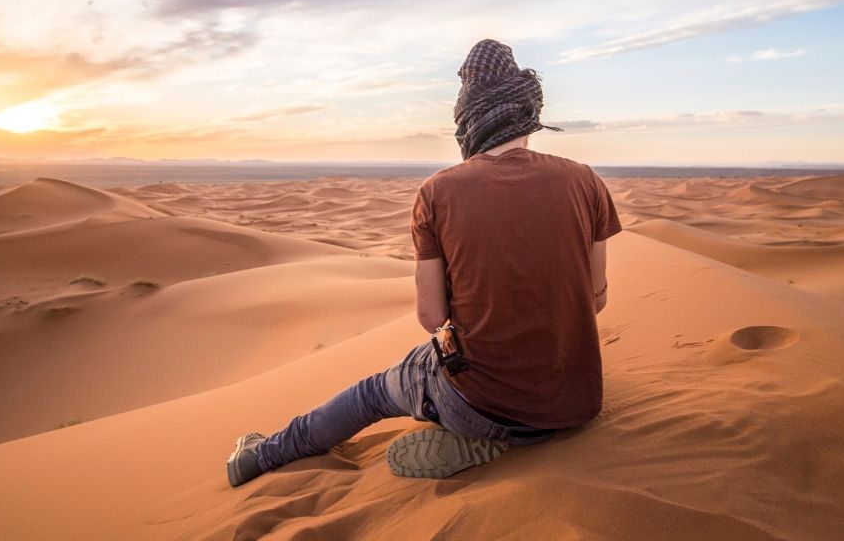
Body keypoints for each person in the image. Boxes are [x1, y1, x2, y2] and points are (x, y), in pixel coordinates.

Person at [227, 38, 622, 487]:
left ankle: (261, 456)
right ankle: (503, 436)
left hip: (483, 401)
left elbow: (432, 317)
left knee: (373, 391)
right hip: (575, 405)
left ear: (467, 115)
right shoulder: (586, 181)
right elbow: (595, 303)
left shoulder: (438, 192)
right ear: (530, 109)